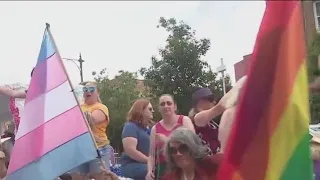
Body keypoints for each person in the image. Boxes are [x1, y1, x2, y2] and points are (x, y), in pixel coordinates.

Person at [146, 94, 195, 180]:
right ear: (159, 109)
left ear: (175, 106)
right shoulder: (155, 129)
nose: (166, 106)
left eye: (169, 103)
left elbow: (193, 143)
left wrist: (167, 140)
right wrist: (149, 171)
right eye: (162, 104)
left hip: (183, 165)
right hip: (163, 168)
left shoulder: (184, 121)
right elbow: (151, 155)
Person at [70, 81, 112, 180]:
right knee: (77, 177)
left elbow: (92, 120)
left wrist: (73, 114)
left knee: (101, 176)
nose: (88, 91)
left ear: (98, 92)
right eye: (85, 90)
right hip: (80, 149)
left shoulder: (101, 107)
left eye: (91, 89)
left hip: (98, 148)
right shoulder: (79, 107)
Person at [120, 99, 154, 180]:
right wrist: (150, 161)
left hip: (146, 164)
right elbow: (130, 151)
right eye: (150, 109)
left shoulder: (150, 128)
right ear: (141, 110)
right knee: (157, 171)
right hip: (132, 165)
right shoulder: (130, 126)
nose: (153, 111)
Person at [190, 87, 222, 154]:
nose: (214, 101)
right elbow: (219, 108)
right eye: (210, 99)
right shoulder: (195, 121)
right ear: (199, 105)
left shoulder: (213, 124)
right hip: (204, 162)